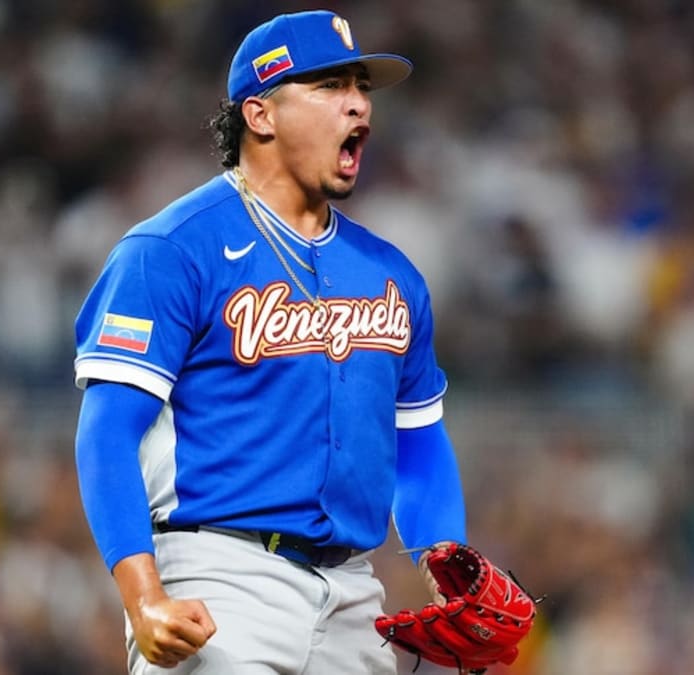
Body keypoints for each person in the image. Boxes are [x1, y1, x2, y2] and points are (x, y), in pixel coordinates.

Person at [73, 10, 472, 673]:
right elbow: (107, 431)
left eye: (361, 88)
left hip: (354, 596)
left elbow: (419, 439)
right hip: (218, 576)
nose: (357, 103)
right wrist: (143, 596)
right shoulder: (171, 249)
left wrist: (448, 559)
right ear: (260, 115)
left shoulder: (391, 273)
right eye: (329, 86)